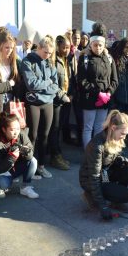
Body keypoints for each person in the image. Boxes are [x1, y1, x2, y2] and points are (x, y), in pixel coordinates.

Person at [79, 110, 128, 220]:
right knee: (126, 195)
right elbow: (94, 177)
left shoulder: (114, 137)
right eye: (123, 134)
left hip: (105, 173)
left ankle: (115, 202)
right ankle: (90, 195)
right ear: (113, 128)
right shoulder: (97, 145)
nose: (124, 137)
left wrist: (120, 159)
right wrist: (103, 206)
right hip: (90, 180)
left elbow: (109, 159)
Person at [20, 35, 63, 179]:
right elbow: (31, 85)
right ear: (38, 48)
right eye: (46, 52)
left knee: (45, 136)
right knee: (32, 136)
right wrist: (47, 83)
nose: (48, 55)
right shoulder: (27, 61)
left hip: (48, 102)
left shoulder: (50, 63)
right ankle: (28, 167)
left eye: (51, 53)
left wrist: (45, 85)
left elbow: (56, 86)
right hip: (33, 103)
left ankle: (41, 166)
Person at [77, 26, 118, 148]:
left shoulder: (109, 58)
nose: (98, 48)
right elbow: (82, 80)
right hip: (90, 99)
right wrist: (98, 93)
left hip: (105, 99)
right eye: (95, 45)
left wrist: (108, 93)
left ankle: (97, 153)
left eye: (100, 45)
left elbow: (115, 80)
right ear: (91, 44)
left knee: (100, 127)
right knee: (88, 127)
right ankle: (88, 154)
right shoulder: (84, 58)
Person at [0, 113, 39, 199]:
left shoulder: (21, 134)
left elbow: (30, 152)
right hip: (1, 172)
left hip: (15, 168)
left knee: (33, 161)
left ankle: (25, 187)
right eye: (12, 130)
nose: (16, 132)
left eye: (18, 128)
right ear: (4, 129)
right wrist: (12, 157)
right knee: (4, 184)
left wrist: (26, 152)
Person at [49, 35, 75, 170]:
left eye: (68, 47)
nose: (66, 50)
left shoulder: (67, 59)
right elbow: (53, 82)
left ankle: (57, 153)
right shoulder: (53, 60)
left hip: (66, 99)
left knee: (59, 128)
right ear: (57, 46)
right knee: (55, 129)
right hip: (56, 101)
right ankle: (55, 156)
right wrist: (63, 96)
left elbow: (70, 78)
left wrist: (71, 93)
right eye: (64, 47)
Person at [0, 31, 21, 121]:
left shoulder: (14, 61)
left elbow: (17, 84)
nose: (9, 51)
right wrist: (10, 84)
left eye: (12, 48)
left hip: (11, 102)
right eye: (7, 47)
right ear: (0, 45)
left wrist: (2, 85)